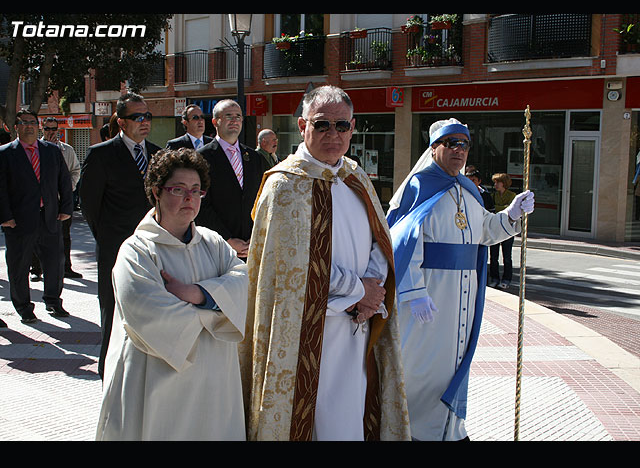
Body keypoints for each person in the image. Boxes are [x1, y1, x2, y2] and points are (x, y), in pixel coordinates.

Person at [240, 85, 410, 441]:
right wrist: (357, 289)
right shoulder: (284, 186)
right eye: (322, 125)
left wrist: (373, 290)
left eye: (342, 126)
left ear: (353, 127)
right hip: (305, 332)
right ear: (302, 126)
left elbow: (380, 241)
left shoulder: (356, 177)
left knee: (352, 420)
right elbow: (289, 268)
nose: (333, 134)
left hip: (358, 326)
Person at [386, 118, 535, 441]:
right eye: (451, 143)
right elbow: (402, 240)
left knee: (454, 365)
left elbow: (486, 232)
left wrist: (511, 215)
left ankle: (449, 430)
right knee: (422, 367)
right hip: (427, 299)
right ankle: (412, 430)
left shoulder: (469, 191)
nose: (459, 150)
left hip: (462, 298)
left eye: (464, 144)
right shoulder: (418, 186)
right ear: (434, 148)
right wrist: (414, 291)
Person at [95, 148, 248, 441]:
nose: (190, 198)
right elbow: (149, 314)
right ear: (156, 191)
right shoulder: (137, 251)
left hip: (215, 379)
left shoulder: (213, 243)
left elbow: (243, 282)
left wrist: (198, 293)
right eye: (179, 189)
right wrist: (217, 306)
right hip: (159, 377)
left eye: (196, 190)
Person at [80, 92, 162, 379]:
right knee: (114, 313)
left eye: (147, 116)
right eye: (137, 117)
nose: (144, 122)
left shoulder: (157, 154)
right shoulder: (101, 154)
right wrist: (106, 237)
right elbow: (89, 203)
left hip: (152, 249)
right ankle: (108, 375)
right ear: (121, 122)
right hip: (115, 248)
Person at [0, 109, 73, 323]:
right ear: (16, 127)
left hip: (49, 217)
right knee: (19, 266)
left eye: (33, 122)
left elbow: (64, 181)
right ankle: (24, 307)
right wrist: (5, 216)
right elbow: (1, 188)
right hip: (17, 221)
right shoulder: (5, 153)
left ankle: (53, 301)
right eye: (24, 122)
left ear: (38, 125)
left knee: (55, 263)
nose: (29, 126)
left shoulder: (51, 151)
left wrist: (66, 208)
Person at [196, 99, 263, 260]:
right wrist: (227, 239)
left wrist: (255, 237)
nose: (234, 121)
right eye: (228, 116)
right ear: (215, 122)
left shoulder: (254, 157)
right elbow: (201, 205)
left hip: (251, 246)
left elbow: (263, 198)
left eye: (238, 116)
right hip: (217, 248)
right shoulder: (202, 157)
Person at [38, 117, 82, 279]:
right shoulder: (36, 148)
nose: (51, 132)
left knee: (64, 235)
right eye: (47, 129)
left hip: (62, 199)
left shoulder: (67, 150)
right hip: (42, 200)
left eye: (54, 129)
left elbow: (75, 170)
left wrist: (68, 188)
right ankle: (37, 269)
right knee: (38, 235)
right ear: (42, 129)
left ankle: (66, 267)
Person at [489, 173, 517, 289]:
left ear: (504, 183)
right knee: (493, 256)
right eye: (494, 182)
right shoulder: (493, 196)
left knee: (507, 256)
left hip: (507, 229)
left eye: (497, 182)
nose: (495, 185)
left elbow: (510, 209)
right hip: (495, 229)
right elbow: (491, 209)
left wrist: (498, 209)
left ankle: (506, 279)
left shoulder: (512, 195)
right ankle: (494, 278)